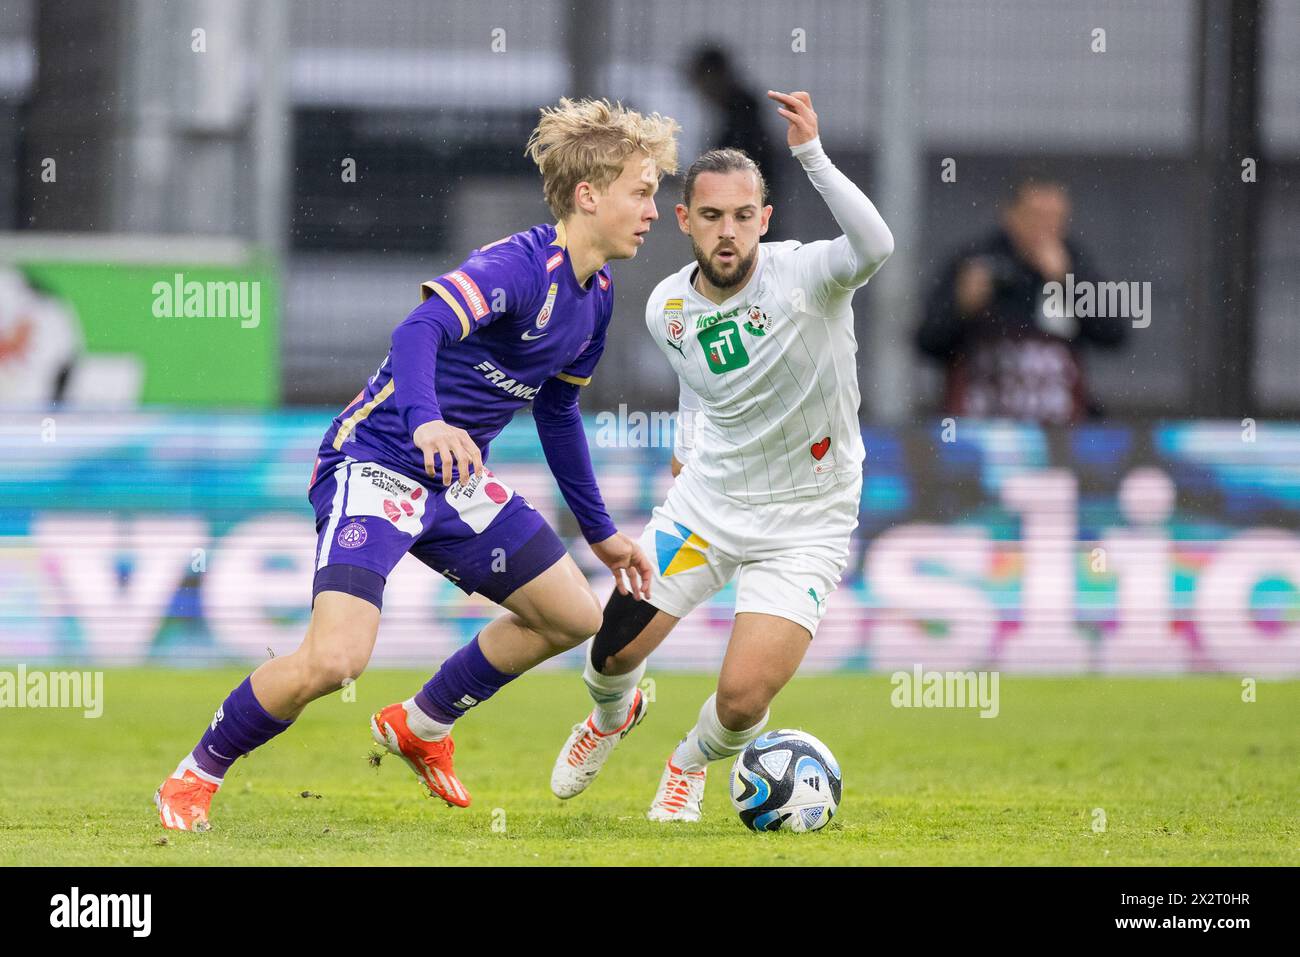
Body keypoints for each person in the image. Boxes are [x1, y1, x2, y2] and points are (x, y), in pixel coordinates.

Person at [155, 98, 680, 831]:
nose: (655, 209)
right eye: (643, 190)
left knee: (571, 617)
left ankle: (421, 724)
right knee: (335, 660)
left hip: (452, 482)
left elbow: (557, 415)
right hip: (375, 463)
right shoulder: (519, 266)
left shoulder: (594, 300)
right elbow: (419, 328)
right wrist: (427, 419)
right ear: (590, 195)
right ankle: (194, 773)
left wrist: (599, 533)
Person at [549, 91, 894, 821]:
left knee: (742, 699)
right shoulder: (666, 307)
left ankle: (686, 764)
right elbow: (699, 384)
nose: (728, 231)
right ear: (685, 221)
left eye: (743, 215)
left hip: (809, 519)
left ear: (765, 220)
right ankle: (613, 716)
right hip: (708, 505)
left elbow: (877, 246)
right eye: (711, 216)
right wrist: (684, 447)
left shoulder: (809, 276)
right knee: (609, 654)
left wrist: (812, 155)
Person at [915, 179, 1126, 423]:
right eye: (1036, 216)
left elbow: (1115, 334)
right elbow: (927, 341)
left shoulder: (1075, 263)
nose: (1045, 228)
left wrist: (1068, 281)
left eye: (1054, 218)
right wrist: (962, 306)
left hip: (1060, 433)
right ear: (1010, 215)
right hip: (980, 426)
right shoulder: (976, 261)